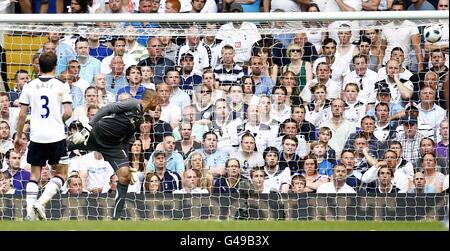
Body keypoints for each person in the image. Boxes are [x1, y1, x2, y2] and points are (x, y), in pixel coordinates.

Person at [67, 88, 159, 220]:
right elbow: (107, 108)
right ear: (153, 99)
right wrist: (89, 127)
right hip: (97, 133)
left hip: (113, 146)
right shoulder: (133, 103)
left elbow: (127, 140)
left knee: (125, 176)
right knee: (63, 146)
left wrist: (126, 161)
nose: (158, 104)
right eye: (158, 100)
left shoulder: (140, 118)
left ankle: (116, 218)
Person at [15, 52, 73, 221]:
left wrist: (19, 136)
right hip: (56, 136)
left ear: (38, 66)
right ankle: (41, 203)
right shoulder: (61, 85)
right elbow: (68, 112)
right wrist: (58, 120)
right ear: (56, 67)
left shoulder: (29, 86)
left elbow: (21, 115)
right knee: (61, 174)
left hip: (37, 136)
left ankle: (29, 214)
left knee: (35, 175)